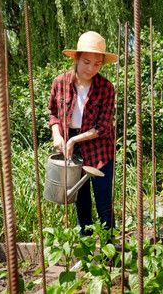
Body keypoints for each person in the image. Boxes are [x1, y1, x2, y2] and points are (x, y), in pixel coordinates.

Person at [48, 31, 118, 236]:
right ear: (76, 58)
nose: (91, 68)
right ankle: (86, 257)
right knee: (82, 204)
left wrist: (74, 138)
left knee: (104, 203)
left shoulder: (106, 87)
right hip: (74, 151)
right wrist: (57, 135)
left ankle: (109, 255)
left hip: (100, 150)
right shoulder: (59, 83)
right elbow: (53, 112)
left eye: (97, 64)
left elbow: (104, 126)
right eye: (86, 62)